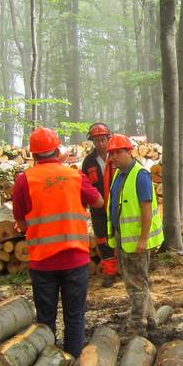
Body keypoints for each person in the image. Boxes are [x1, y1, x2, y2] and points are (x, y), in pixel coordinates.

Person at [13, 127, 103, 358]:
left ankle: (46, 365)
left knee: (45, 320)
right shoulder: (74, 176)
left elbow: (21, 223)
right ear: (57, 150)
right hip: (75, 260)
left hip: (42, 261)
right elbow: (99, 202)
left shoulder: (25, 180)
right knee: (75, 317)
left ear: (33, 154)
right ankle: (72, 362)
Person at [105, 134, 164, 337]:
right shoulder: (119, 175)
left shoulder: (140, 175)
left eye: (117, 152)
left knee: (136, 284)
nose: (113, 157)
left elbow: (146, 209)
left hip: (136, 239)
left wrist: (143, 239)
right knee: (137, 281)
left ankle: (137, 326)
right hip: (123, 237)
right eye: (111, 154)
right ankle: (152, 318)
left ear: (128, 151)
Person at [81, 122, 118, 287]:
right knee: (103, 240)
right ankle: (110, 272)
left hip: (118, 205)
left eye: (103, 140)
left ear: (108, 138)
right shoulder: (89, 162)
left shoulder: (117, 155)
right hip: (98, 208)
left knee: (121, 237)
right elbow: (85, 185)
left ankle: (125, 269)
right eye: (97, 141)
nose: (101, 144)